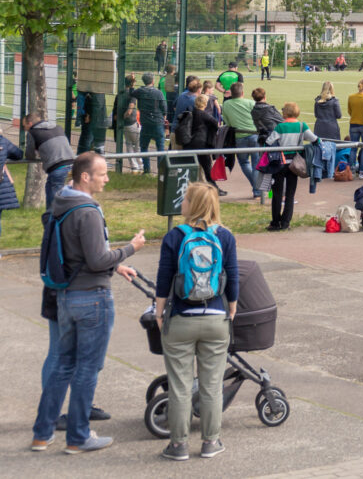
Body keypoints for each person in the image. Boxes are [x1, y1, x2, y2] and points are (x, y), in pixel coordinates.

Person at [30, 152, 146, 454]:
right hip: (92, 298)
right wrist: (129, 250)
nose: (107, 178)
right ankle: (79, 436)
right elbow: (97, 260)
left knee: (63, 365)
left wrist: (114, 264)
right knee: (87, 368)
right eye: (102, 173)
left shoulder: (62, 203)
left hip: (66, 296)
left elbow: (78, 253)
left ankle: (42, 433)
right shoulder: (88, 211)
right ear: (85, 177)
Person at [154, 182, 239, 461]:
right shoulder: (225, 237)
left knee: (179, 385)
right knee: (211, 384)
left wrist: (159, 312)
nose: (182, 201)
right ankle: (210, 442)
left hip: (181, 319)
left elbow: (164, 279)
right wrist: (231, 309)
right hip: (216, 318)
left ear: (193, 204)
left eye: (186, 197)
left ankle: (178, 446)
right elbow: (233, 278)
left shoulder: (175, 236)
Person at [266, 102, 316, 231]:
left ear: (285, 112)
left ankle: (275, 222)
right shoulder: (301, 126)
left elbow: (269, 142)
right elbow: (315, 139)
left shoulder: (280, 127)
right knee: (290, 194)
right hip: (295, 164)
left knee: (276, 194)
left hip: (280, 163)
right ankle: (286, 222)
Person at [22, 114, 76, 207]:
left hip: (58, 167)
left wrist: (38, 153)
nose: (24, 129)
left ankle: (54, 219)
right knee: (52, 190)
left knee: (55, 202)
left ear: (30, 123)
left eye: (24, 126)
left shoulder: (33, 132)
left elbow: (29, 155)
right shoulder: (58, 127)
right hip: (73, 164)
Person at [221, 83, 260, 198]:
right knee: (256, 164)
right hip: (254, 135)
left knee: (244, 162)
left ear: (231, 93)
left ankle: (255, 187)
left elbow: (227, 123)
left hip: (238, 137)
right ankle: (257, 189)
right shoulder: (251, 103)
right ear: (242, 93)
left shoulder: (226, 104)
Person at [187, 95, 225, 195]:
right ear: (205, 104)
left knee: (194, 168)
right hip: (201, 144)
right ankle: (215, 189)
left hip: (191, 143)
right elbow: (215, 123)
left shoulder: (193, 112)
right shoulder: (203, 114)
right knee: (207, 169)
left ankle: (192, 188)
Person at [134, 72, 167, 174]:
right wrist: (164, 117)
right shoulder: (158, 93)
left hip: (145, 123)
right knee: (160, 147)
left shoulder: (139, 91)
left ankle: (147, 169)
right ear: (153, 81)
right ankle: (161, 171)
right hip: (157, 122)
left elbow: (131, 91)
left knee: (144, 146)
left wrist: (132, 80)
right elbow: (164, 107)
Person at [113, 74, 142, 172]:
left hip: (123, 125)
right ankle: (141, 167)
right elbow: (130, 110)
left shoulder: (120, 94)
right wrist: (125, 115)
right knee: (138, 146)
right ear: (132, 83)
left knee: (129, 145)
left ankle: (134, 167)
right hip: (132, 123)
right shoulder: (133, 94)